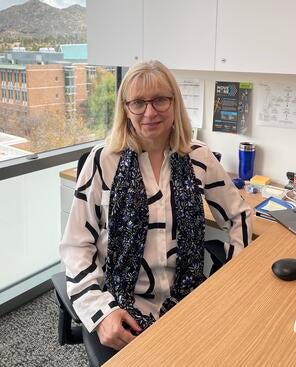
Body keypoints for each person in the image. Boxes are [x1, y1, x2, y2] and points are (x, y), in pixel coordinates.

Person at [60, 60, 252, 363]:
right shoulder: (102, 162)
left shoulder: (198, 157)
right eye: (138, 102)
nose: (149, 112)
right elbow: (76, 246)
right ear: (125, 108)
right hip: (123, 306)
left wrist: (232, 277)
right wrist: (99, 312)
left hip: (191, 301)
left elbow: (239, 215)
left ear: (174, 103)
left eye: (160, 99)